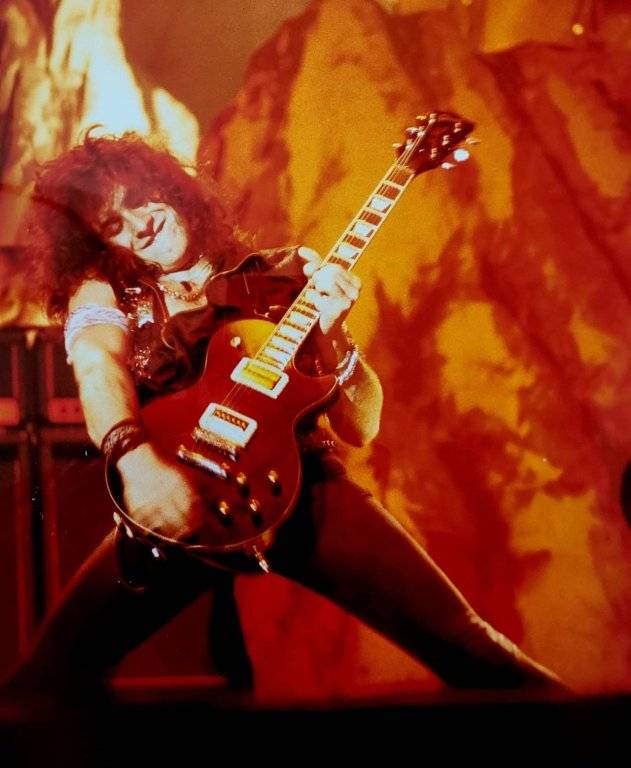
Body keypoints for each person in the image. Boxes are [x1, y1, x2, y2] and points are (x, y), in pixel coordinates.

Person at [11, 131, 563, 699]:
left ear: (168, 188)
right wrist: (134, 460)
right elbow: (97, 365)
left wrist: (335, 334)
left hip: (303, 491)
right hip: (175, 492)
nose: (139, 224)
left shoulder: (285, 273)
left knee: (471, 648)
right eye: (114, 225)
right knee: (44, 684)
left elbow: (361, 426)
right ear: (101, 244)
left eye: (137, 199)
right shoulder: (103, 289)